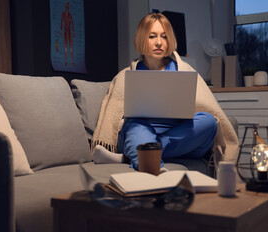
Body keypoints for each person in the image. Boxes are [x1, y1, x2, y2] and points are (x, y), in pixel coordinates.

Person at [92, 12, 239, 172]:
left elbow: (205, 106)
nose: (159, 42)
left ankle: (132, 156)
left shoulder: (185, 70)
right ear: (142, 38)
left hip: (179, 133)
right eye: (152, 36)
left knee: (209, 122)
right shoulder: (126, 75)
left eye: (164, 36)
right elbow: (116, 115)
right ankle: (150, 162)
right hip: (140, 130)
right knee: (134, 126)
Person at [60, 1, 75, 66]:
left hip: (69, 32)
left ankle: (72, 61)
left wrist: (73, 31)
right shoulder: (63, 14)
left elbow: (72, 24)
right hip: (65, 32)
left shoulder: (70, 15)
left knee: (71, 46)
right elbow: (61, 22)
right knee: (66, 47)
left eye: (68, 6)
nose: (67, 7)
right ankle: (66, 61)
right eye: (66, 6)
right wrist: (61, 30)